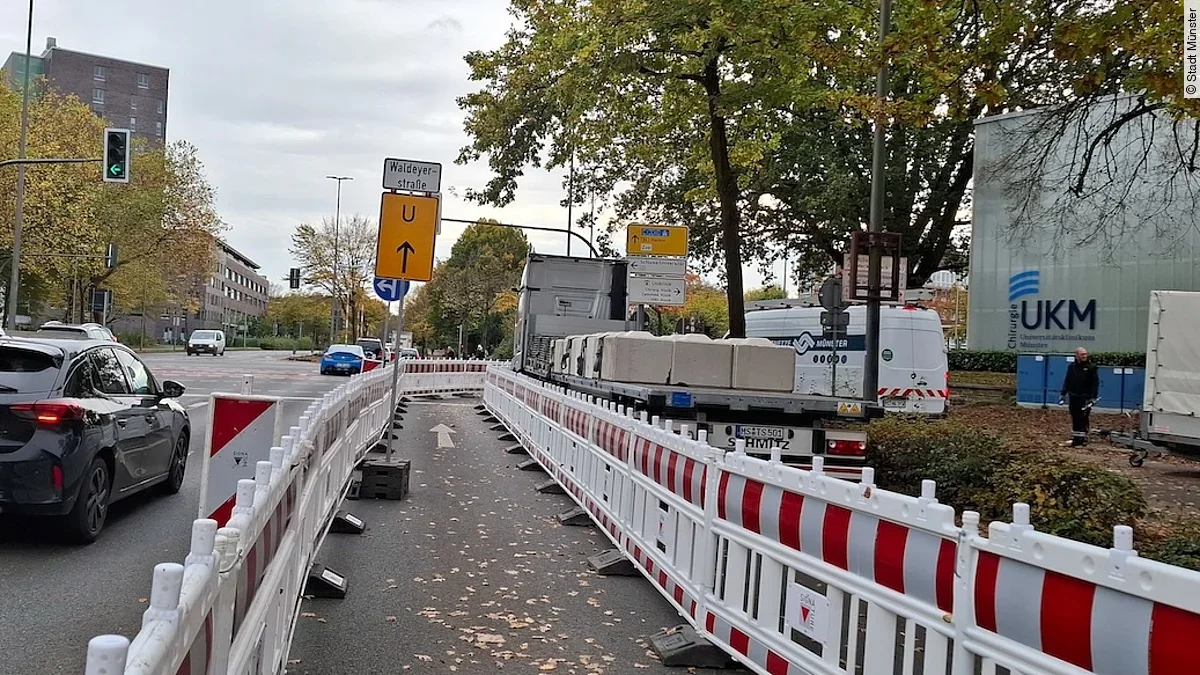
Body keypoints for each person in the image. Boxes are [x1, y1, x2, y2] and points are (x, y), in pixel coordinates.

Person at [1059, 347, 1099, 446]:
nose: (1085, 356)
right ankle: (1076, 438)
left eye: (1085, 354)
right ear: (1076, 355)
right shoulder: (1071, 367)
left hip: (1085, 397)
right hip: (1073, 396)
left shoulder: (1091, 367)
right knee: (1075, 417)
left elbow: (1095, 383)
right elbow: (1067, 381)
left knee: (1083, 417)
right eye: (1082, 354)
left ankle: (1083, 438)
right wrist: (1063, 394)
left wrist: (1093, 397)